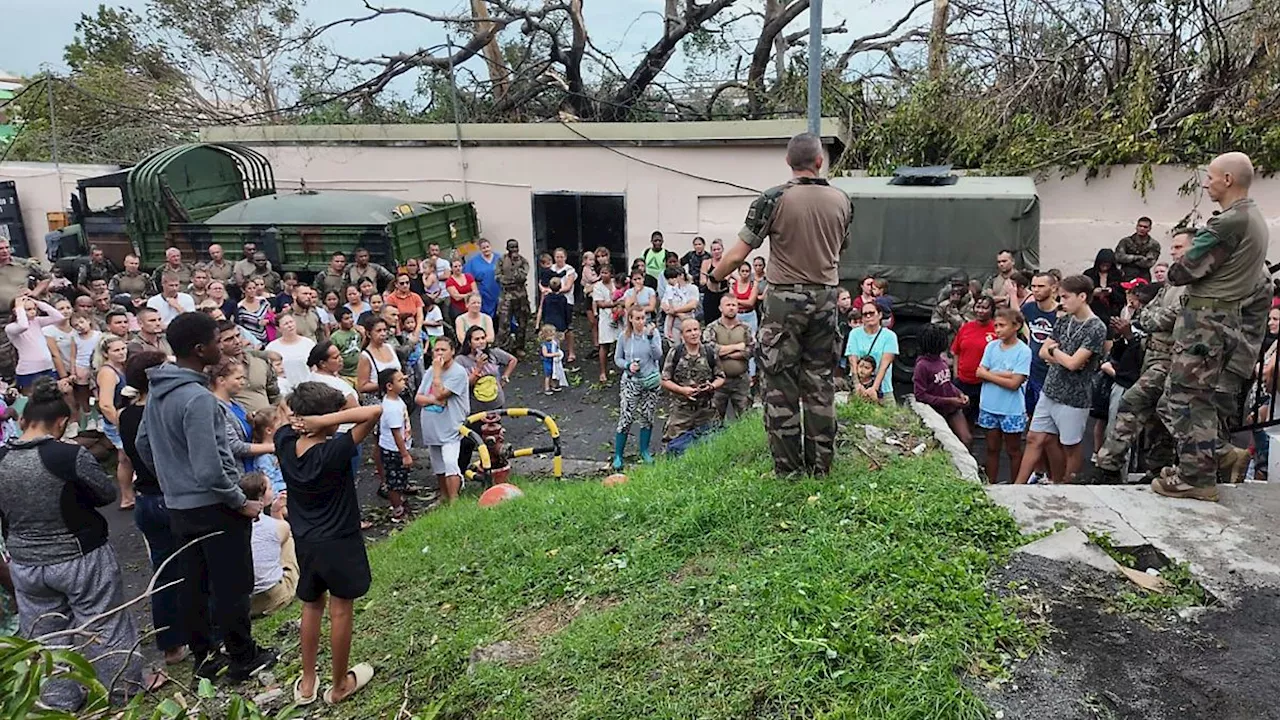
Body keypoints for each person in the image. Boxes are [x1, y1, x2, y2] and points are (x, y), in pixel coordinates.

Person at [137, 312, 278, 683]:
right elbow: (210, 467)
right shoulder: (199, 399)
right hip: (214, 507)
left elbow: (142, 445)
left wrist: (172, 478)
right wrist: (238, 501)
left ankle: (205, 657)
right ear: (200, 350)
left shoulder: (158, 392)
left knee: (194, 584)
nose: (223, 344)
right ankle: (243, 656)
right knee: (232, 585)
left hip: (180, 506)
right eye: (217, 339)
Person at [0, 378, 146, 710]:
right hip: (79, 554)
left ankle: (58, 704)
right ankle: (124, 693)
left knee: (45, 635)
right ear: (62, 423)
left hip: (25, 562)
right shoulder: (68, 455)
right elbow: (105, 494)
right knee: (104, 622)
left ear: (23, 420)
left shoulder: (1, 459)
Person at [712, 135, 851, 476]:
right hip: (826, 298)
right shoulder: (842, 200)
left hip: (784, 301)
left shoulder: (774, 198)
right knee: (820, 384)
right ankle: (821, 467)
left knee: (780, 385)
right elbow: (840, 248)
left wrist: (714, 277)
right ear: (820, 161)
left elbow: (738, 254)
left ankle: (788, 470)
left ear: (789, 162)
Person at [1154, 152, 1270, 501]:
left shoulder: (1228, 222)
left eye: (1211, 177)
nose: (1207, 183)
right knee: (1193, 397)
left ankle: (1197, 478)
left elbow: (1182, 270)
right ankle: (1203, 465)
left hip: (1205, 320)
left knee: (1188, 398)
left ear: (1228, 180)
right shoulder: (1253, 217)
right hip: (1220, 318)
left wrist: (1182, 262)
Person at [276, 382, 380, 705]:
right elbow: (373, 412)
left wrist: (309, 418)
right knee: (340, 609)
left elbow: (282, 407)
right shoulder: (334, 450)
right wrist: (323, 421)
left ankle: (307, 683)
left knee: (311, 604)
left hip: (305, 540)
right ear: (325, 418)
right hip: (339, 540)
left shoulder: (283, 441)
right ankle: (338, 686)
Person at [119, 350, 189, 665]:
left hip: (145, 498)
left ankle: (171, 645)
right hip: (170, 495)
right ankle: (206, 633)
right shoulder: (163, 410)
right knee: (194, 565)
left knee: (163, 573)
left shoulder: (126, 415)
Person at [1014, 275, 1107, 484]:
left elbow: (1074, 364)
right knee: (1034, 438)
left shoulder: (1096, 328)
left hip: (1074, 398)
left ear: (1082, 296)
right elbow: (1043, 352)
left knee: (1070, 446)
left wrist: (1056, 353)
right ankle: (1018, 487)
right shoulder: (1064, 320)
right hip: (1050, 390)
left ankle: (1067, 486)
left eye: (1065, 297)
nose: (1061, 302)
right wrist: (1061, 355)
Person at [975, 308, 1032, 483]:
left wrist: (989, 375)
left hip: (1011, 409)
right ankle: (991, 484)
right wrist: (1006, 374)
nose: (997, 330)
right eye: (996, 325)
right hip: (989, 406)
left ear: (1016, 326)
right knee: (991, 448)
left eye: (1002, 326)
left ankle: (1015, 485)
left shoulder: (1023, 351)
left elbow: (1015, 384)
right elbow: (979, 371)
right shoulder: (991, 346)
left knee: (1013, 450)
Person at [416, 337, 470, 503]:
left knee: (450, 463)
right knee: (438, 465)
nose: (439, 353)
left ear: (452, 351)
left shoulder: (458, 373)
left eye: (443, 350)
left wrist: (437, 374)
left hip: (451, 426)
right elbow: (418, 398)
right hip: (432, 426)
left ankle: (454, 500)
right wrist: (432, 400)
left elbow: (441, 393)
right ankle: (444, 496)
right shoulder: (430, 371)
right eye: (436, 350)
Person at [660, 318, 725, 455]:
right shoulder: (675, 353)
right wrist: (682, 390)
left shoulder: (709, 352)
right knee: (672, 447)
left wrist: (711, 386)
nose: (693, 333)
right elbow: (665, 380)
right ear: (682, 335)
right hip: (681, 411)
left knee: (711, 445)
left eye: (695, 330)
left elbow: (721, 377)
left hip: (706, 411)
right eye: (689, 331)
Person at [240, 471, 298, 617]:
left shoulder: (233, 527)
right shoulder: (275, 526)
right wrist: (276, 511)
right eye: (271, 489)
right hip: (274, 597)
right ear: (261, 497)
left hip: (247, 602)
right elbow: (280, 535)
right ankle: (293, 579)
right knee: (287, 539)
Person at [612, 306, 664, 469]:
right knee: (626, 417)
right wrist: (628, 365)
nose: (641, 321)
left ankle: (644, 451)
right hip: (631, 381)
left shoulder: (653, 334)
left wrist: (649, 339)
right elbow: (617, 359)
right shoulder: (624, 336)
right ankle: (618, 455)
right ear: (631, 319)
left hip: (650, 381)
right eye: (638, 318)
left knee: (647, 417)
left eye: (643, 318)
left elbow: (658, 355)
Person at [96, 335, 136, 509]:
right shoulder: (107, 373)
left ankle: (128, 497)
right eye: (116, 350)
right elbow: (105, 404)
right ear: (106, 354)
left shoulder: (122, 367)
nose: (122, 353)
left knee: (126, 458)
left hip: (125, 417)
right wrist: (119, 425)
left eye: (123, 348)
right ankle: (127, 496)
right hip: (116, 422)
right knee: (127, 457)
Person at [913, 323, 972, 445]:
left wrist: (960, 394)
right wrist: (950, 400)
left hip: (952, 409)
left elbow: (947, 383)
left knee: (966, 439)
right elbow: (920, 395)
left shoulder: (941, 360)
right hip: (935, 411)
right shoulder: (922, 366)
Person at [703, 294, 754, 421]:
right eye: (728, 305)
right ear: (720, 308)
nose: (731, 308)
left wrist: (724, 352)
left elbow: (750, 351)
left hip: (741, 381)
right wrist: (738, 346)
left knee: (745, 419)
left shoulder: (745, 328)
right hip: (718, 381)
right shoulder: (712, 328)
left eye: (734, 305)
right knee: (714, 421)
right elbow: (710, 351)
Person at [217, 320, 280, 415]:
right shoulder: (215, 371)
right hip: (238, 424)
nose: (237, 341)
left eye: (238, 335)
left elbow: (275, 396)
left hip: (269, 422)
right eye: (229, 339)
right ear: (218, 343)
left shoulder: (259, 362)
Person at [950, 296, 996, 424]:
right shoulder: (966, 327)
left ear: (992, 310)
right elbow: (956, 352)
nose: (980, 311)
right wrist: (956, 375)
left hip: (985, 384)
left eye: (985, 308)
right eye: (978, 307)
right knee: (960, 418)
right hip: (963, 382)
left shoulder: (996, 330)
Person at [844, 299, 898, 405]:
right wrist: (857, 385)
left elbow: (884, 365)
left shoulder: (890, 336)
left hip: (883, 389)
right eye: (865, 314)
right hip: (859, 388)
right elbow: (852, 360)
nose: (868, 316)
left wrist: (874, 388)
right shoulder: (854, 334)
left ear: (880, 315)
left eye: (871, 313)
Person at [7, 295, 66, 393]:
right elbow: (23, 326)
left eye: (34, 308)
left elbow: (59, 317)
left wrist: (38, 303)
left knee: (52, 397)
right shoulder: (11, 327)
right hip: (28, 371)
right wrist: (19, 308)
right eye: (28, 309)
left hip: (47, 367)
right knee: (31, 400)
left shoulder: (37, 321)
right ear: (16, 311)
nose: (33, 311)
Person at [1021, 272, 1060, 418]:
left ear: (1054, 288)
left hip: (1053, 374)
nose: (1036, 290)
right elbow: (1017, 323)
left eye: (1041, 286)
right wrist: (1028, 336)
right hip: (1032, 372)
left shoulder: (1062, 313)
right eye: (1033, 286)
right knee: (1032, 417)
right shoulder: (1028, 308)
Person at [376, 369, 413, 522]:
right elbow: (396, 433)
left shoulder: (397, 400)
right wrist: (404, 454)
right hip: (394, 449)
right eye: (400, 380)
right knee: (395, 481)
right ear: (389, 386)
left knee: (400, 478)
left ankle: (400, 502)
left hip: (399, 447)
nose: (404, 380)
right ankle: (397, 510)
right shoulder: (391, 408)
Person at [267, 314, 318, 394]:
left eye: (291, 322)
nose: (290, 325)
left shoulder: (308, 343)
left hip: (308, 389)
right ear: (278, 328)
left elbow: (315, 367)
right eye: (286, 324)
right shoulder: (272, 347)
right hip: (285, 390)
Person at [547, 248, 578, 363]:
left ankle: (571, 352)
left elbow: (568, 286)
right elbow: (544, 283)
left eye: (561, 257)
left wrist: (555, 291)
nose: (559, 259)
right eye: (557, 257)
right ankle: (554, 352)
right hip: (552, 301)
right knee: (552, 327)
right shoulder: (551, 269)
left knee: (568, 327)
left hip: (566, 301)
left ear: (565, 257)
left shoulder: (569, 270)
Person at [592, 265, 620, 383]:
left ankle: (623, 370)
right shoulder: (598, 286)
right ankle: (603, 372)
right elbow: (600, 304)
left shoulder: (617, 283)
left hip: (619, 317)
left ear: (611, 274)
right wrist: (616, 303)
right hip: (605, 317)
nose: (604, 275)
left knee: (621, 343)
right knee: (604, 345)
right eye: (602, 273)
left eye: (606, 272)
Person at [1083, 248, 1124, 322]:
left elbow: (1122, 296)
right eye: (1102, 265)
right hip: (1093, 311)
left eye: (1107, 265)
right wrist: (1093, 293)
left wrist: (1112, 292)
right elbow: (1081, 293)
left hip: (1112, 312)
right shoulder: (1089, 274)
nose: (1105, 267)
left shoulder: (1117, 275)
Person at [251, 408, 286, 494]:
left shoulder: (280, 450)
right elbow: (270, 486)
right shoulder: (264, 458)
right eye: (280, 425)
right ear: (269, 430)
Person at [463, 239, 502, 318]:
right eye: (483, 248)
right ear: (480, 249)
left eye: (487, 247)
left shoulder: (500, 258)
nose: (486, 249)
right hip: (484, 293)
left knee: (503, 314)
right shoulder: (474, 261)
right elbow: (467, 276)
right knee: (487, 316)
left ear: (491, 247)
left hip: (499, 290)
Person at [1115, 216, 1161, 280]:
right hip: (1125, 275)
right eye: (1140, 226)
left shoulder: (1154, 244)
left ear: (1149, 229)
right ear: (1136, 227)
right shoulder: (1125, 241)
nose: (1142, 228)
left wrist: (1128, 259)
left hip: (1143, 276)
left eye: (1145, 227)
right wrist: (1138, 257)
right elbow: (1119, 257)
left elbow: (1148, 263)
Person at [662, 267, 700, 343]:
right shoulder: (671, 289)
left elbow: (692, 305)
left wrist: (675, 310)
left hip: (688, 321)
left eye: (675, 277)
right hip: (673, 324)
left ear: (681, 276)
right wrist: (678, 314)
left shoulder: (692, 288)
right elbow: (664, 305)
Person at [237, 277, 272, 347]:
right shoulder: (240, 307)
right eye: (249, 288)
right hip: (251, 340)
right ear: (243, 290)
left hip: (267, 336)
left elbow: (271, 315)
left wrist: (267, 320)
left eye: (254, 288)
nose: (252, 290)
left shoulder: (263, 301)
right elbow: (240, 326)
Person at [700, 239, 728, 324]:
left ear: (722, 249)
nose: (716, 252)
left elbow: (728, 276)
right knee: (709, 321)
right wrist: (705, 280)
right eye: (714, 250)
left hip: (723, 294)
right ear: (711, 251)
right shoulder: (706, 262)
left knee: (724, 320)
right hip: (710, 294)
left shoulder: (726, 262)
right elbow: (702, 279)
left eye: (718, 249)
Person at [540, 324, 565, 394]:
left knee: (554, 373)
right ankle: (547, 387)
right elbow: (545, 354)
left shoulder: (553, 343)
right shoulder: (544, 345)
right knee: (548, 374)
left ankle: (553, 385)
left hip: (553, 361)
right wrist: (554, 355)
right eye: (551, 335)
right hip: (547, 361)